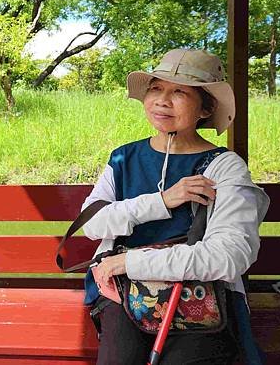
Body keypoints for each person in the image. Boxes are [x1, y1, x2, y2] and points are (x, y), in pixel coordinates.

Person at [80, 49, 270, 365]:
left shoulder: (224, 168)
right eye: (156, 88)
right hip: (121, 291)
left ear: (206, 107)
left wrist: (129, 262)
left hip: (202, 295)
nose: (162, 100)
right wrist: (162, 201)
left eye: (179, 92)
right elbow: (93, 225)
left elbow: (228, 257)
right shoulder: (123, 159)